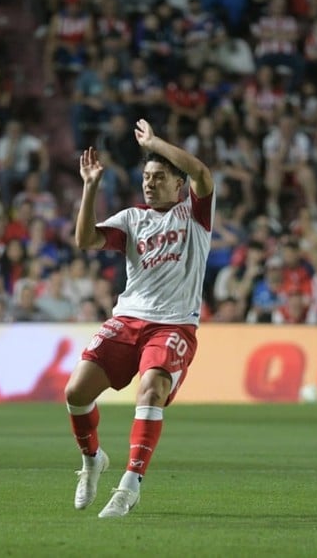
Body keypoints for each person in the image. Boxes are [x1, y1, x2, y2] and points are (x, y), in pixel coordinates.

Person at [64, 118, 214, 518]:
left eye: (159, 177)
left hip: (174, 324)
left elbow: (201, 173)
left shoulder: (194, 215)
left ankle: (129, 486)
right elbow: (85, 240)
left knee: (151, 391)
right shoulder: (132, 218)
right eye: (146, 177)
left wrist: (155, 143)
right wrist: (90, 187)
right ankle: (92, 460)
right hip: (128, 319)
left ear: (178, 185)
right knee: (76, 393)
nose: (150, 183)